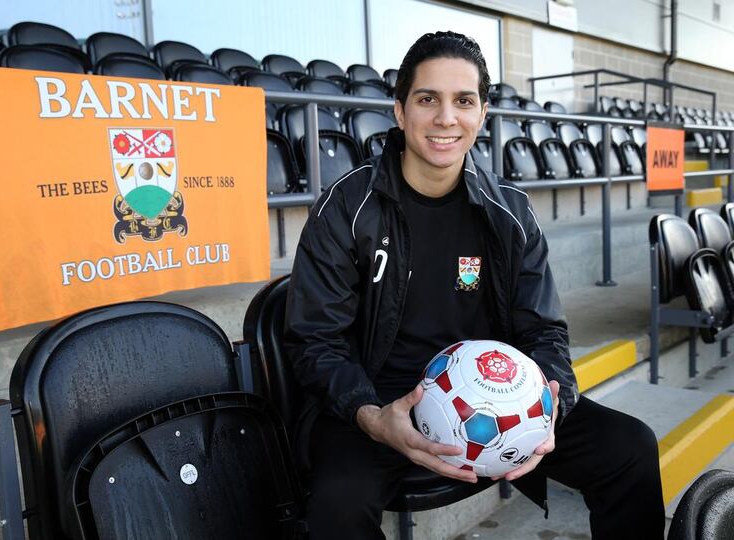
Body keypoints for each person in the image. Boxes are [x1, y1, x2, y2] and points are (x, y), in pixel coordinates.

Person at [284, 31, 665, 540]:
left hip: (495, 404)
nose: (446, 118)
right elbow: (315, 340)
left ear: (482, 113)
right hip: (380, 404)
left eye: (463, 101)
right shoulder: (347, 208)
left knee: (629, 447)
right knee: (336, 508)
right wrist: (370, 416)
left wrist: (551, 404)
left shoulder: (510, 213)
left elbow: (544, 332)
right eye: (427, 99)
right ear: (399, 111)